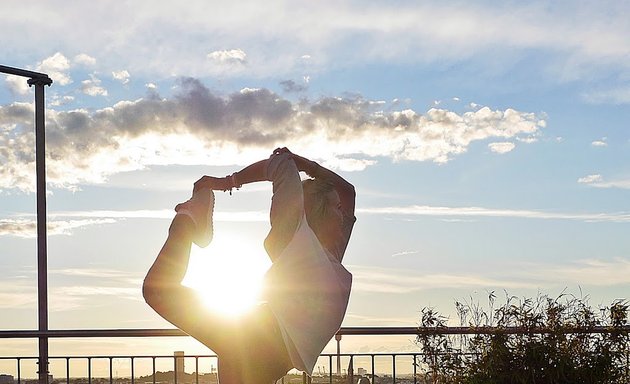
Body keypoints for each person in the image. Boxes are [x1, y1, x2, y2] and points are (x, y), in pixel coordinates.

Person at [143, 147, 356, 384]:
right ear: (318, 211)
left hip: (265, 349)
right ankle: (187, 218)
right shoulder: (296, 234)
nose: (343, 214)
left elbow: (348, 192)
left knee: (158, 291)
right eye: (336, 208)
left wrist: (306, 164)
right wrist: (226, 182)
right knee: (157, 290)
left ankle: (192, 214)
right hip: (256, 340)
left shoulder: (333, 254)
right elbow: (280, 163)